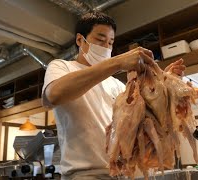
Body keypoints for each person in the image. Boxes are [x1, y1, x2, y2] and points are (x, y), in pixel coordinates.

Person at [42, 11, 186, 180]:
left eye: (110, 42)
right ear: (80, 40)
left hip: (122, 173)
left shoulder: (116, 84)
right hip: (85, 174)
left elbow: (145, 119)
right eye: (100, 40)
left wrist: (164, 85)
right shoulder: (62, 67)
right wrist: (117, 62)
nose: (106, 47)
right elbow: (53, 95)